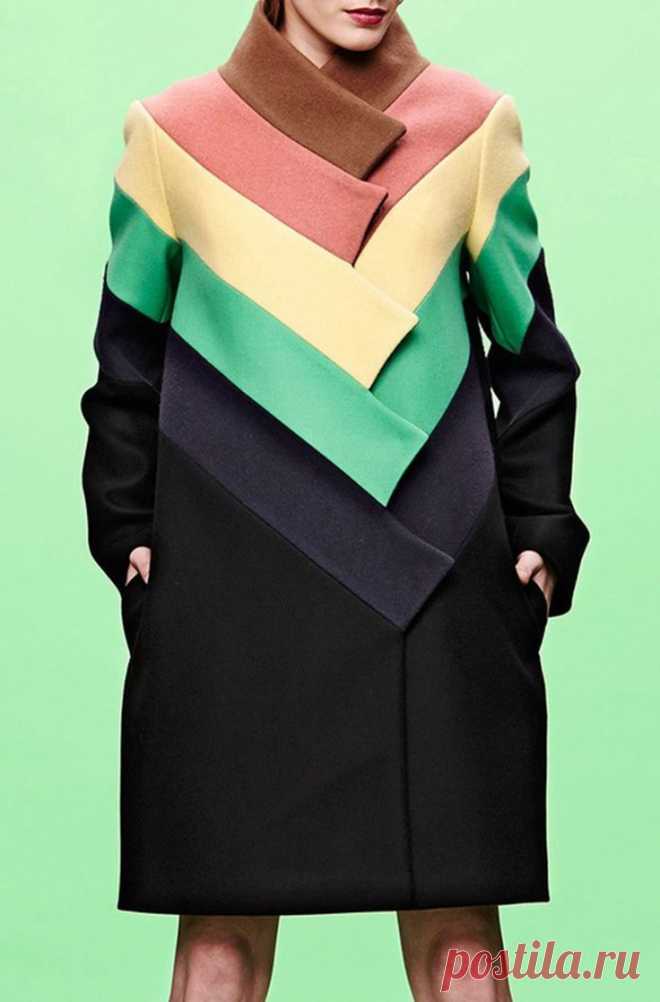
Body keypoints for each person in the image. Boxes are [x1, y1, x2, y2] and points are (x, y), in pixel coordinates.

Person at [80, 0, 590, 998]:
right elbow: (127, 364)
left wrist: (539, 535)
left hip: (439, 588)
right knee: (220, 936)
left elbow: (534, 352)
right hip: (228, 597)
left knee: (459, 931)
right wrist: (128, 534)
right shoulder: (172, 133)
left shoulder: (475, 127)